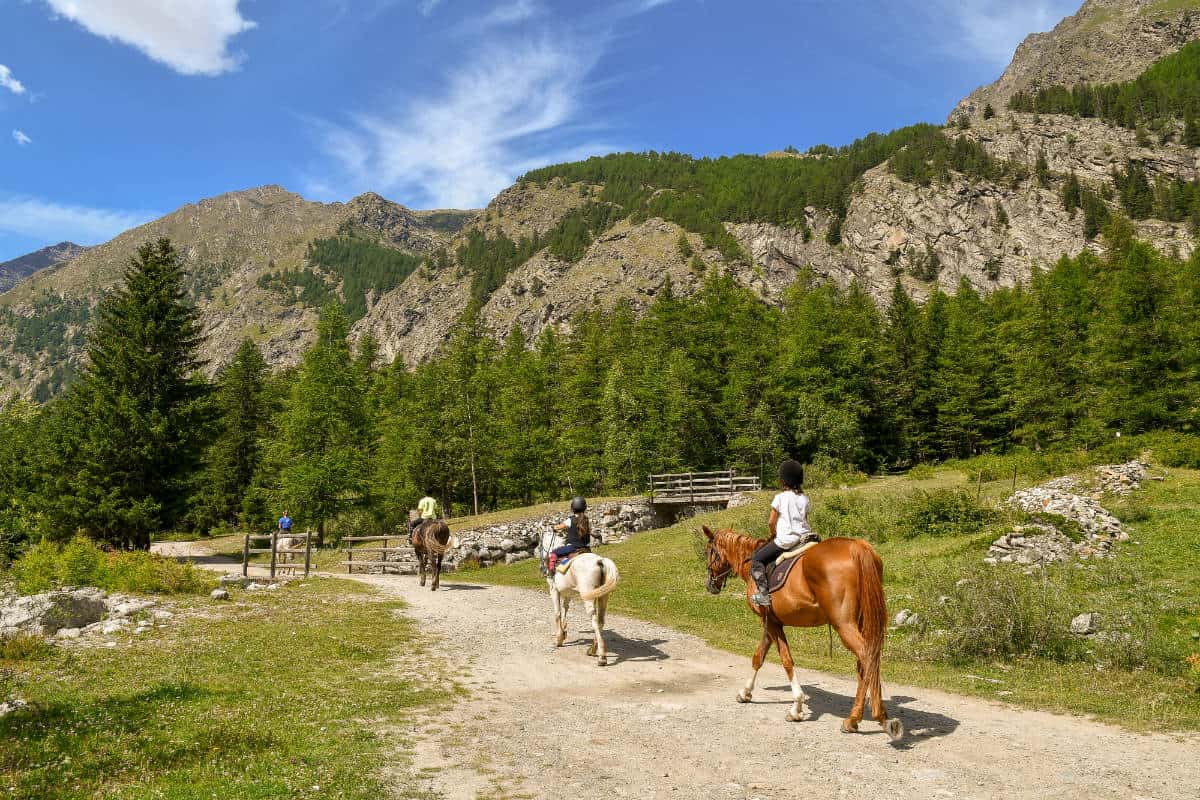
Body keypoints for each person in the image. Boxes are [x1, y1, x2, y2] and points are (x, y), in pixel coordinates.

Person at [750, 459, 817, 607]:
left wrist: (773, 534)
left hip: (786, 541)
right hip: (804, 539)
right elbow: (804, 519)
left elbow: (771, 522)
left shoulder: (779, 498)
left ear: (783, 480)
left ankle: (763, 595)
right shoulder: (804, 499)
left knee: (757, 559)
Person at [548, 496, 591, 571]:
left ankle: (551, 570)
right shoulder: (586, 519)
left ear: (573, 508)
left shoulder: (570, 520)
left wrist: (554, 527)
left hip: (573, 547)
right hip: (586, 548)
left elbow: (559, 527)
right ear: (584, 508)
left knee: (554, 552)